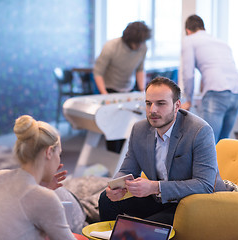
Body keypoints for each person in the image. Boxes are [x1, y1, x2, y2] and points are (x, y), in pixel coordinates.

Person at [98, 77, 228, 225]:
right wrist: (115, 188)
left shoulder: (199, 131)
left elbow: (205, 185)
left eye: (161, 104)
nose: (153, 110)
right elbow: (127, 170)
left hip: (194, 202)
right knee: (106, 200)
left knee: (145, 227)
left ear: (177, 105)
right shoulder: (139, 129)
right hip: (159, 198)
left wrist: (154, 187)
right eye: (148, 103)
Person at [0, 115, 78, 240]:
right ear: (49, 152)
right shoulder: (45, 198)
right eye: (59, 154)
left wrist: (42, 189)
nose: (59, 159)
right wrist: (45, 193)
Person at [181, 14, 238, 143]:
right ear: (203, 28)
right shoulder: (221, 43)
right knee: (223, 143)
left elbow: (188, 73)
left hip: (217, 91)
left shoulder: (189, 40)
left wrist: (189, 99)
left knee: (206, 143)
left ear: (188, 30)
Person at [93, 20, 152, 153]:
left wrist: (143, 90)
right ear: (128, 39)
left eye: (141, 43)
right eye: (136, 43)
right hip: (110, 89)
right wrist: (104, 93)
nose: (139, 46)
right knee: (113, 130)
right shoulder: (111, 47)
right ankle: (113, 158)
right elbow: (98, 72)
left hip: (128, 90)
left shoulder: (143, 47)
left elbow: (140, 69)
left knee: (128, 127)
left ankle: (126, 160)